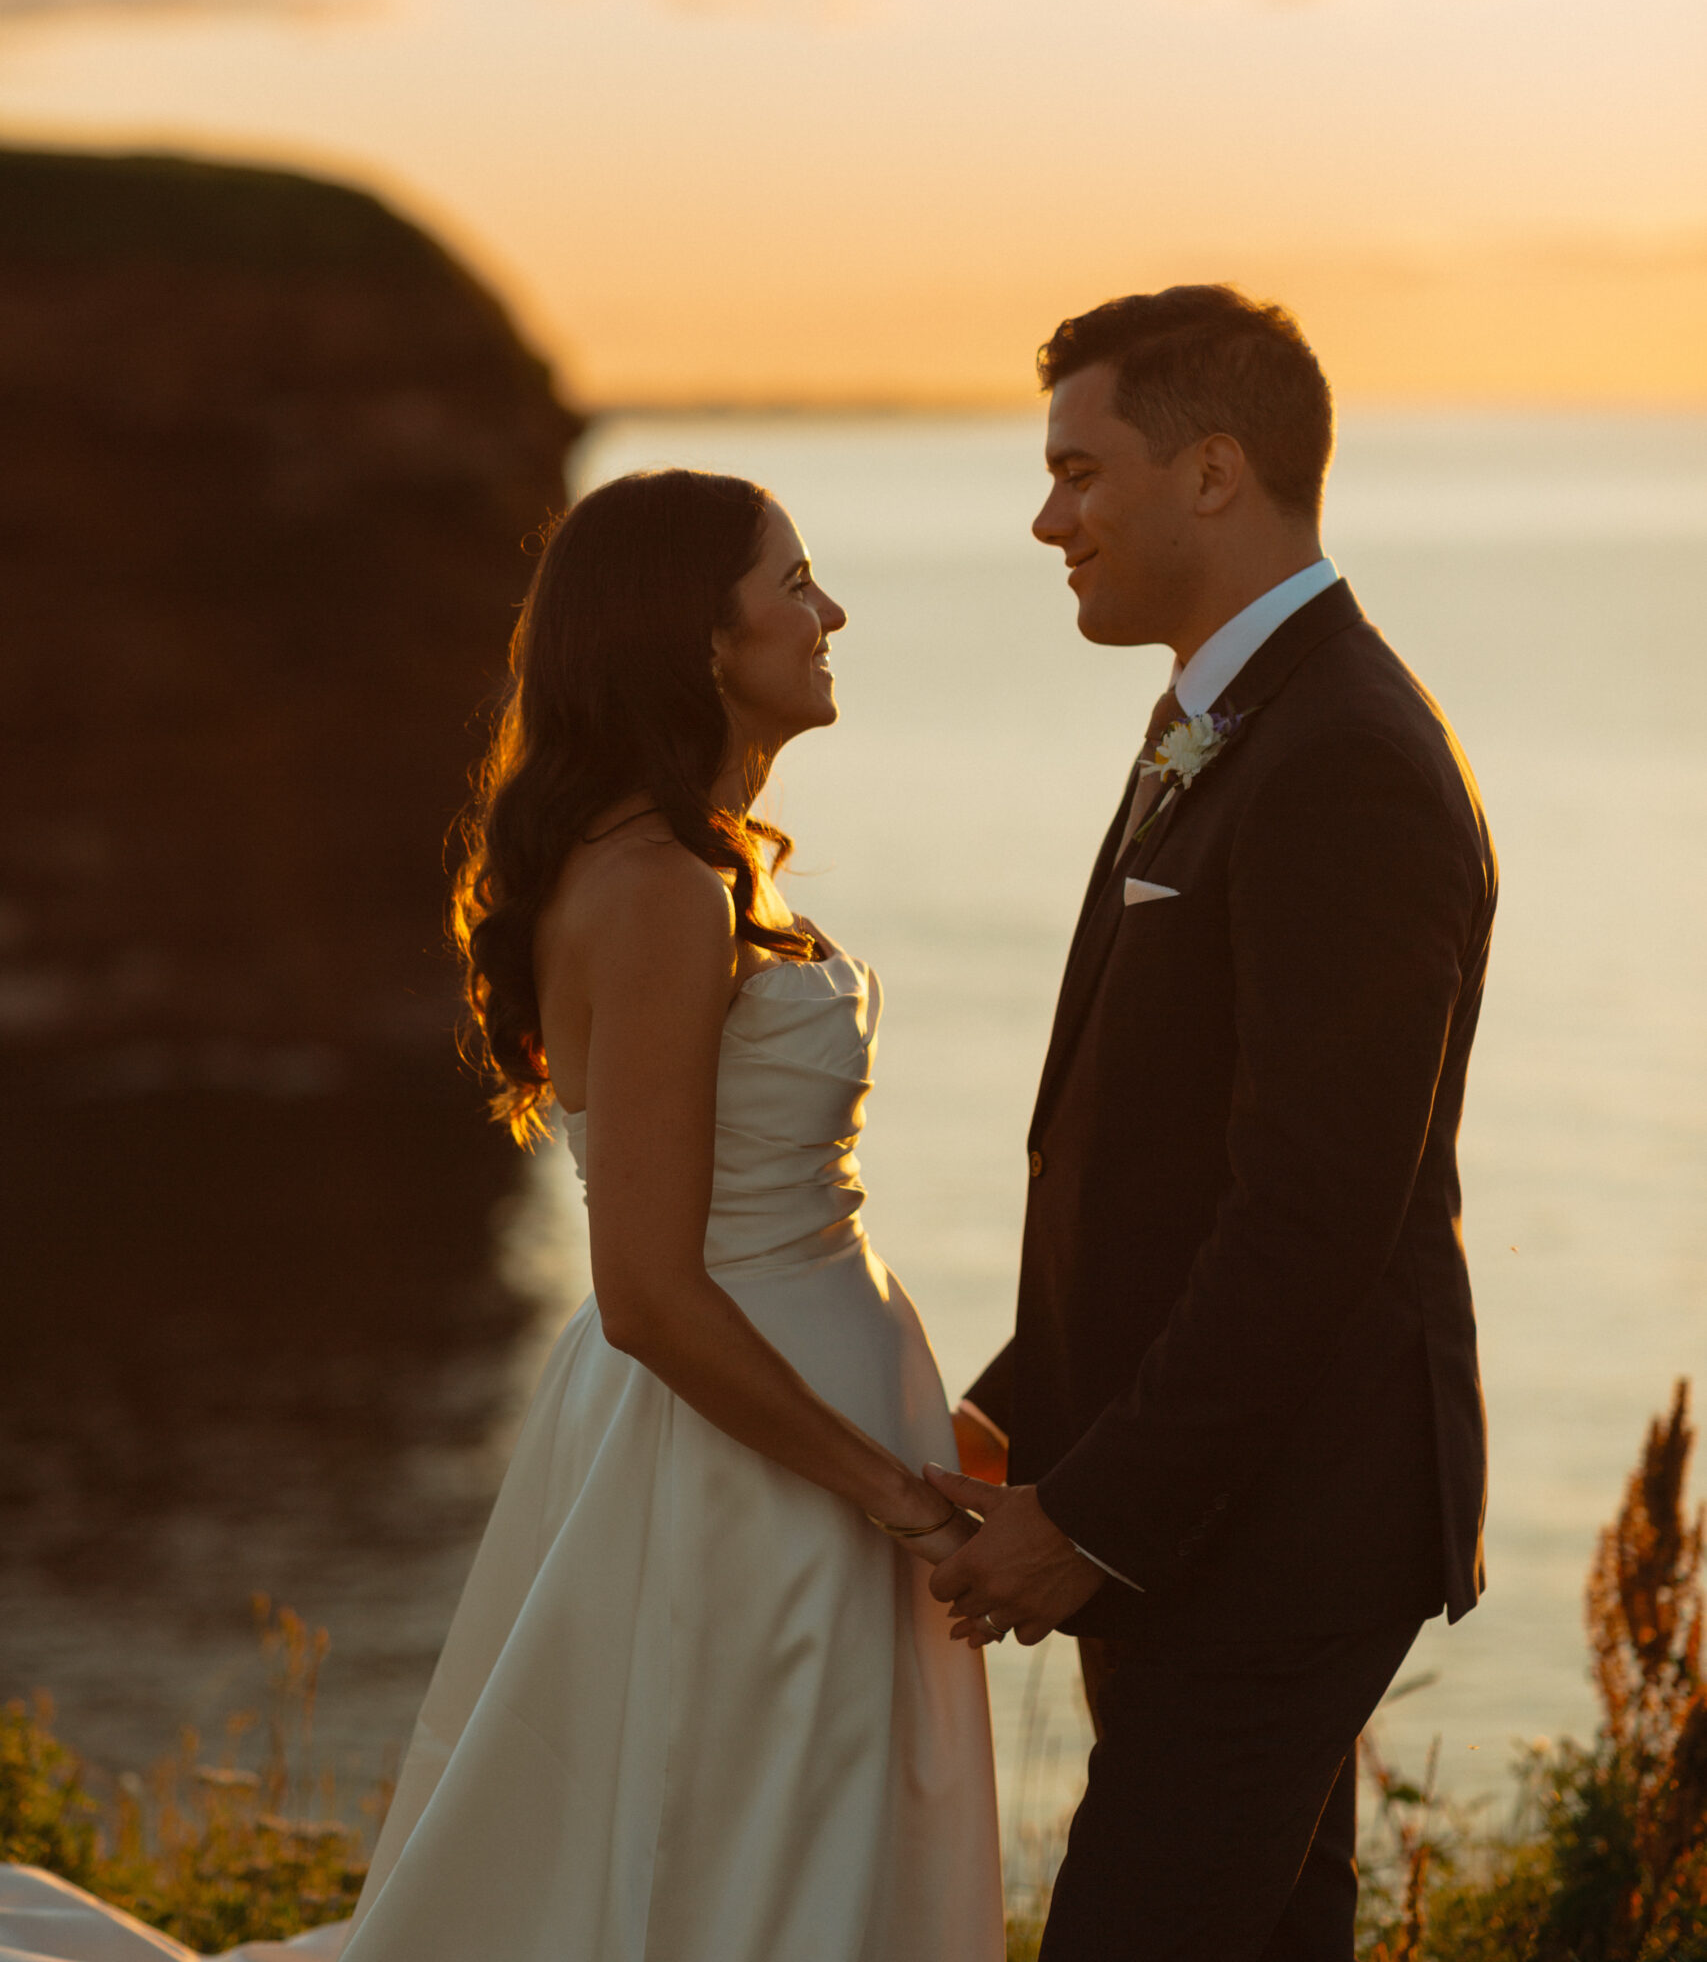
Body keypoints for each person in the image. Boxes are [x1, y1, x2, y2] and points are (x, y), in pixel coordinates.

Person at [339, 468, 1003, 1962]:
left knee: (797, 1825)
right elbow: (645, 1289)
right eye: (796, 584)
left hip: (810, 1400)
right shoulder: (652, 889)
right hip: (745, 1451)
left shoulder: (702, 865)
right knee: (744, 1839)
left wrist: (927, 1437)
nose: (829, 616)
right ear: (704, 640)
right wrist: (882, 1488)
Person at [926, 287, 1497, 1962]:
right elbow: (1157, 1156)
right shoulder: (1230, 711)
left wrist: (1093, 1514)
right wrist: (1015, 1417)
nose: (1049, 519)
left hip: (1287, 1523)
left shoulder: (1346, 754)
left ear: (1215, 471)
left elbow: (1313, 1213)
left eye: (1079, 470)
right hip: (1215, 1503)